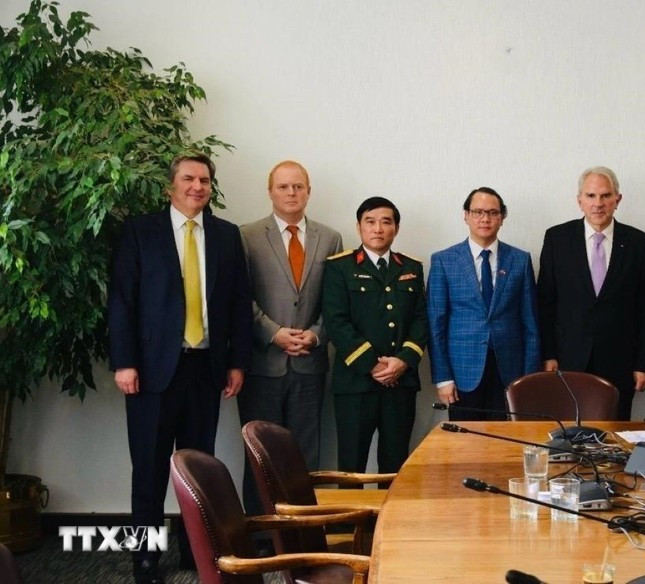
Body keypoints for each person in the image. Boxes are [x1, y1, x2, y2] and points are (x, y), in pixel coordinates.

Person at [108, 153, 252, 584]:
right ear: (170, 185)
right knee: (149, 470)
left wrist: (237, 362)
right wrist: (124, 362)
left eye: (204, 180)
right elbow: (121, 301)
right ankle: (145, 560)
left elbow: (238, 304)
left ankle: (196, 551)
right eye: (189, 178)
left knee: (198, 470)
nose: (197, 186)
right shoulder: (140, 231)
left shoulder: (226, 235)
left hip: (206, 369)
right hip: (151, 373)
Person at [239, 161, 342, 517]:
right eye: (283, 186)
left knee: (304, 455)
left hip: (309, 364)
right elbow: (240, 298)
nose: (291, 193)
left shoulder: (330, 238)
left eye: (298, 186)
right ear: (270, 192)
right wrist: (273, 333)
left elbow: (336, 300)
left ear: (308, 191)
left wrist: (316, 335)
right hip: (262, 364)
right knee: (260, 454)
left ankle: (302, 530)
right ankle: (261, 531)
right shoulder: (247, 236)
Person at [537, 166, 645, 421]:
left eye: (605, 195)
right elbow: (546, 303)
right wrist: (547, 354)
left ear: (618, 199)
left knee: (615, 433)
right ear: (579, 201)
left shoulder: (639, 243)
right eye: (591, 196)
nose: (598, 203)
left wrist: (644, 364)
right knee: (568, 431)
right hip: (568, 359)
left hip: (620, 360)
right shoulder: (557, 239)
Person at [322, 197, 429, 474]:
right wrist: (373, 364)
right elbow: (336, 321)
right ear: (359, 227)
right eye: (370, 221)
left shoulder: (411, 268)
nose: (378, 228)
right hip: (355, 382)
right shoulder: (340, 267)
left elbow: (420, 320)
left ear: (396, 228)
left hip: (400, 382)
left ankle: (389, 507)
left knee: (395, 466)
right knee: (351, 465)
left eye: (386, 222)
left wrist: (403, 361)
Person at [427, 187, 540, 420]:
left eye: (492, 212)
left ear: (502, 217)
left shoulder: (520, 260)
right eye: (477, 212)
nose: (485, 218)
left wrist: (530, 378)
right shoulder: (444, 261)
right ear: (466, 215)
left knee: (505, 438)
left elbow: (530, 323)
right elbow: (436, 324)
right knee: (466, 439)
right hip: (462, 372)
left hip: (509, 371)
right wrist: (443, 377)